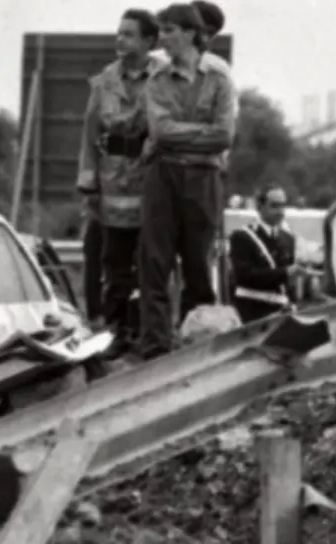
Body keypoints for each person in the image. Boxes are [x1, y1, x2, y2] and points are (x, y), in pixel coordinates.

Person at [136, 3, 237, 359]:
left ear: (190, 33)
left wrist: (182, 136)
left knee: (198, 264)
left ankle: (198, 346)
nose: (161, 39)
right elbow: (160, 130)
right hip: (163, 175)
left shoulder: (219, 78)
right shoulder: (157, 79)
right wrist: (201, 134)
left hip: (204, 178)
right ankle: (155, 347)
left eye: (168, 31)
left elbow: (224, 135)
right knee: (154, 261)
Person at [76, 8, 162, 350]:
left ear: (149, 41)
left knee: (151, 263)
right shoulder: (104, 82)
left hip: (152, 179)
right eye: (119, 33)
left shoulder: (164, 78)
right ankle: (115, 331)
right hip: (112, 180)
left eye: (128, 34)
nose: (120, 40)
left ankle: (148, 331)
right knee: (114, 263)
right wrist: (88, 183)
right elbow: (90, 135)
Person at [230, 187, 298, 322]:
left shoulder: (288, 239)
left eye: (283, 206)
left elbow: (287, 286)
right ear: (259, 207)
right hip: (253, 311)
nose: (280, 211)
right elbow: (245, 276)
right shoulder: (242, 237)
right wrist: (285, 273)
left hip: (281, 312)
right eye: (274, 206)